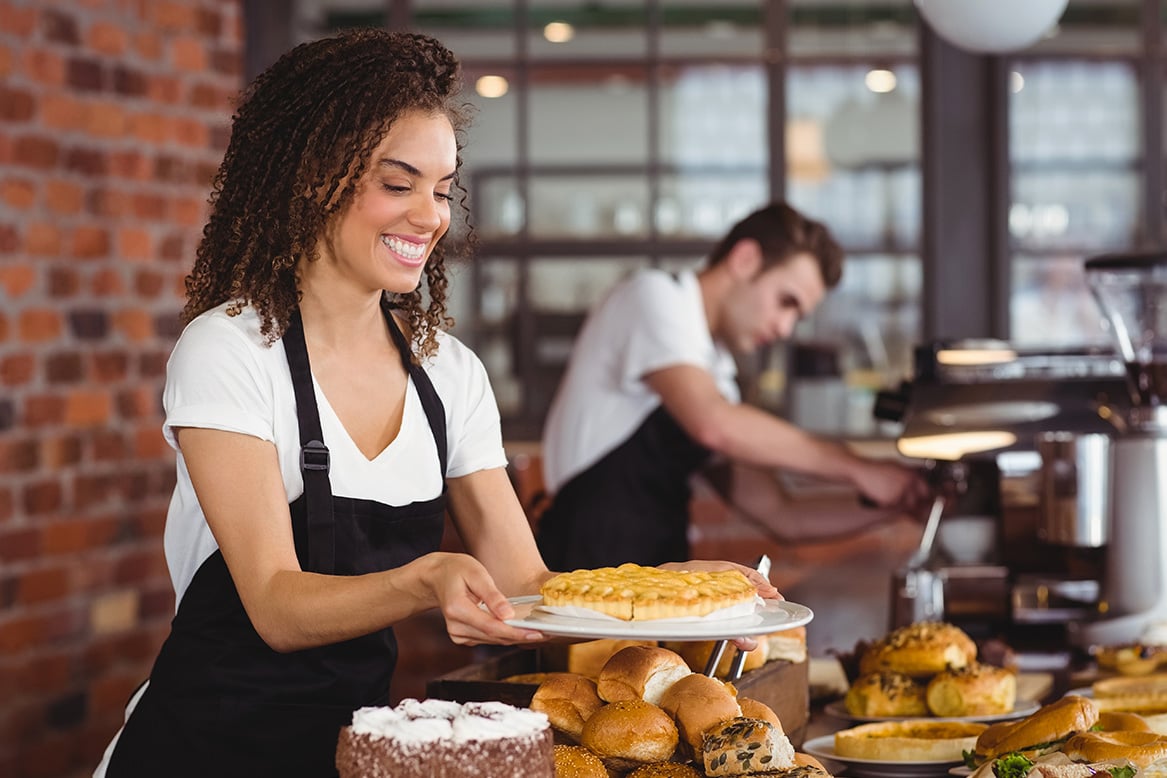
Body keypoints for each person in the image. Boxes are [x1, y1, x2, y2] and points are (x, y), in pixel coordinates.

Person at [94, 29, 775, 777]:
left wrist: (686, 591)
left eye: (443, 188)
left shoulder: (447, 374)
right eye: (398, 183)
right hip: (197, 750)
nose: (430, 216)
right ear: (313, 178)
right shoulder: (227, 351)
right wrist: (426, 577)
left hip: (352, 754)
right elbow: (276, 607)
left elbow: (525, 585)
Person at [537, 202, 933, 571]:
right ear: (745, 259)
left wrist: (900, 502)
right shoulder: (654, 297)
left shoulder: (715, 374)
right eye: (786, 301)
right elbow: (713, 423)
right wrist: (855, 466)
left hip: (656, 592)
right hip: (583, 581)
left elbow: (783, 514)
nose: (784, 328)